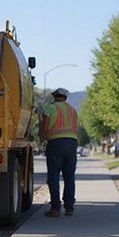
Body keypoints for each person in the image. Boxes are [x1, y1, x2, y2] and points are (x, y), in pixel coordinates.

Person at [41, 88, 79, 217]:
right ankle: (69, 207)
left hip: (56, 143)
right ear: (65, 97)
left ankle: (55, 208)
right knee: (69, 176)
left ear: (54, 97)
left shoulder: (50, 108)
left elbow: (45, 126)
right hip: (72, 143)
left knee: (53, 176)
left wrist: (42, 138)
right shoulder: (73, 110)